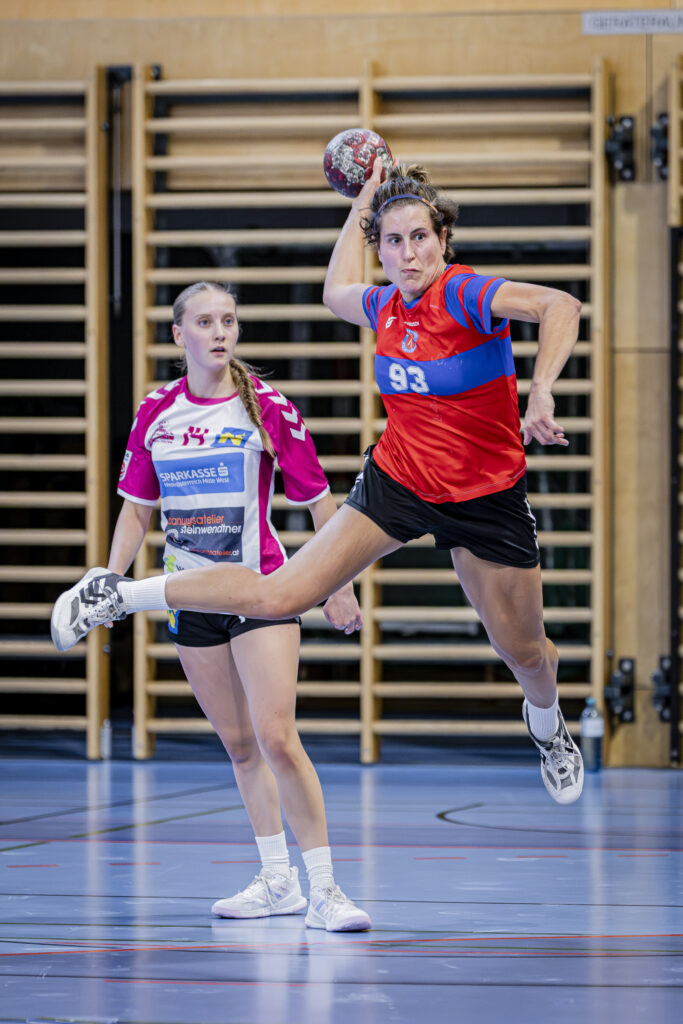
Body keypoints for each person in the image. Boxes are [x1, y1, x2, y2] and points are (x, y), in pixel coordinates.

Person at [52, 159, 584, 805]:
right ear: (378, 248)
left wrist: (541, 390)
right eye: (392, 241)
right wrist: (362, 200)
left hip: (486, 496)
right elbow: (335, 291)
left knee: (523, 651)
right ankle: (115, 594)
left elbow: (559, 305)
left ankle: (548, 726)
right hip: (399, 481)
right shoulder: (385, 306)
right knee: (281, 595)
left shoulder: (464, 293)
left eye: (419, 237)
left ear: (442, 240)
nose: (407, 253)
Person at [81, 281, 371, 932]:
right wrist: (108, 581)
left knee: (276, 737)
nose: (220, 332)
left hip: (260, 590)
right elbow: (136, 511)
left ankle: (326, 889)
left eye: (229, 321)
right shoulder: (156, 412)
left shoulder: (266, 406)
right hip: (190, 598)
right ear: (178, 334)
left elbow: (319, 501)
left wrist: (338, 585)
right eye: (206, 322)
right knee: (240, 747)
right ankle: (277, 881)